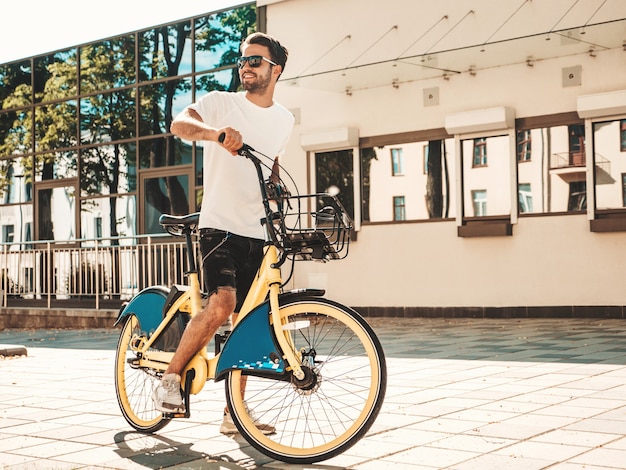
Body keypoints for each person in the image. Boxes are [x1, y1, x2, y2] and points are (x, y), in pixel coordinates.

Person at [151, 32, 294, 434]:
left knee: (247, 321)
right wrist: (216, 134)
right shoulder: (220, 102)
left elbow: (272, 160)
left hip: (257, 230)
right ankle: (170, 380)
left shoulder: (285, 119)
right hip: (219, 225)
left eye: (255, 60)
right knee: (222, 304)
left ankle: (234, 414)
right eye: (243, 60)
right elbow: (180, 123)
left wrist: (275, 187)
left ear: (275, 69)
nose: (246, 66)